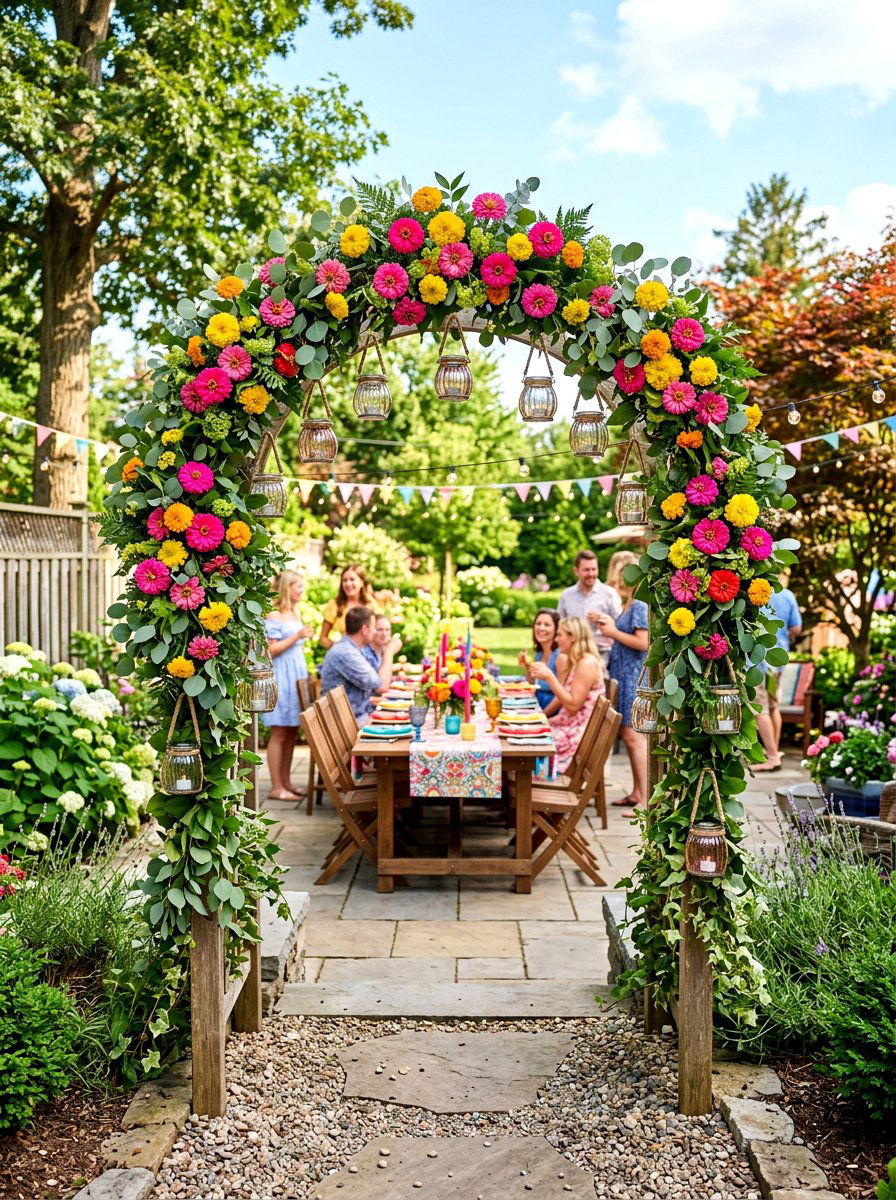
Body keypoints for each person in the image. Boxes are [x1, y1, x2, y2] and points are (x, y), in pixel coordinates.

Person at [597, 553, 649, 810]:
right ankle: (636, 791)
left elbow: (643, 643)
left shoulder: (640, 604)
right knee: (628, 736)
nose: (618, 579)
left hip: (633, 677)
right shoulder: (629, 603)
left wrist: (612, 632)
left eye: (623, 574)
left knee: (633, 736)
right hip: (622, 674)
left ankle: (645, 800)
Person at [262, 571, 315, 801]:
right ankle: (276, 787)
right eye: (298, 587)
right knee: (280, 730)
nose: (302, 591)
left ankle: (287, 782)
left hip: (296, 674)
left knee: (293, 730)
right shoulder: (274, 613)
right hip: (281, 675)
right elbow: (269, 651)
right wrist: (297, 637)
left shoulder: (295, 611)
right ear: (287, 588)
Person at [531, 617, 606, 774]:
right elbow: (566, 697)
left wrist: (550, 677)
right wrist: (541, 717)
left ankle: (531, 781)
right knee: (528, 732)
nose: (556, 640)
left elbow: (573, 706)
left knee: (530, 741)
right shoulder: (579, 661)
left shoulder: (587, 664)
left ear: (573, 637)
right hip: (569, 725)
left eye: (560, 635)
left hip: (577, 734)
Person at [319, 605, 402, 722]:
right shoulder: (346, 653)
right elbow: (381, 686)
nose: (374, 632)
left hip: (354, 716)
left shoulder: (353, 649)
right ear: (364, 629)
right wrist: (389, 652)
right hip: (347, 723)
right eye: (374, 627)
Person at [755, 576, 803, 772]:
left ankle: (772, 755)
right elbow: (796, 629)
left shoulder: (754, 591)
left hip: (756, 660)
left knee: (760, 708)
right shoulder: (788, 595)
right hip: (778, 659)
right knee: (773, 706)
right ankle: (772, 751)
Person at [557, 550, 622, 666]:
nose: (591, 573)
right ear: (576, 571)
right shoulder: (566, 595)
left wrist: (605, 619)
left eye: (594, 569)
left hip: (604, 656)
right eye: (586, 570)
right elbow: (560, 627)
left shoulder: (609, 594)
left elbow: (621, 625)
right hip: (573, 656)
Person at [319, 564, 374, 649]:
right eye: (344, 580)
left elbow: (377, 631)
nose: (348, 584)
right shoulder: (334, 605)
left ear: (361, 582)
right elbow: (323, 639)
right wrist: (339, 647)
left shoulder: (370, 604)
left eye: (352, 579)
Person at [517, 609, 560, 711]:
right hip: (537, 704)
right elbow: (534, 683)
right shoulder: (539, 654)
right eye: (538, 623)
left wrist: (543, 715)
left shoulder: (559, 656)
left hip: (551, 710)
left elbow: (561, 696)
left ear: (556, 629)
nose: (541, 628)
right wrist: (526, 666)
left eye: (547, 625)